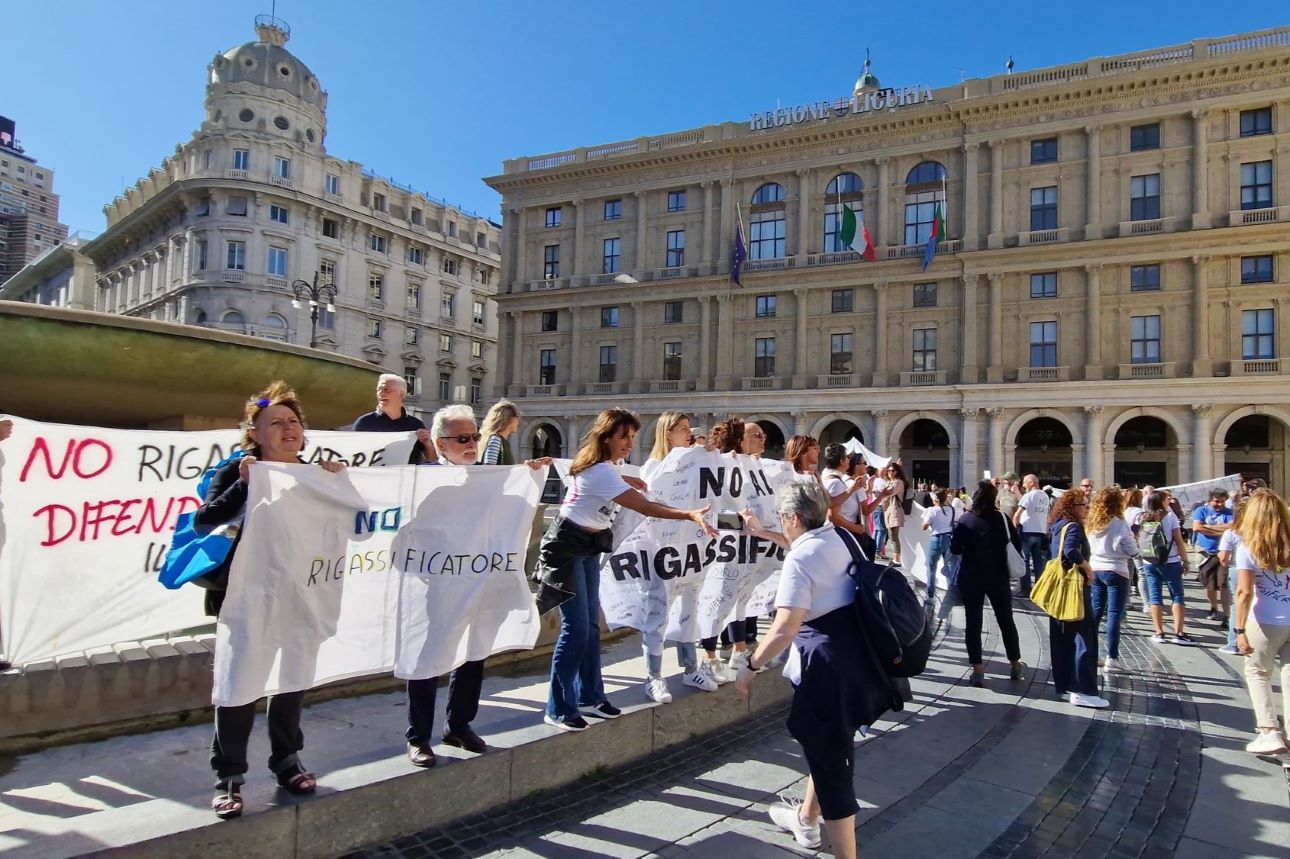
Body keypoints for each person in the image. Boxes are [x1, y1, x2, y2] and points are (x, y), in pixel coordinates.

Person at [198, 382, 345, 818]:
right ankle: (229, 775)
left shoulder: (318, 474)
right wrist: (244, 486)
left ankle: (286, 759)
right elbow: (204, 521)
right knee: (239, 682)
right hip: (247, 597)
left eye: (294, 422)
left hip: (303, 595)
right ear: (255, 434)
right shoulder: (238, 471)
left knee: (292, 681)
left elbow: (359, 526)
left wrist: (341, 486)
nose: (288, 429)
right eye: (275, 423)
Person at [736, 480, 898, 859]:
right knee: (832, 745)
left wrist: (751, 664)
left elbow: (784, 628)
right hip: (861, 656)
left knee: (832, 765)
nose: (782, 523)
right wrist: (762, 532)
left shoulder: (800, 557)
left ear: (793, 517)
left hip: (827, 667)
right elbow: (805, 550)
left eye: (781, 518)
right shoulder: (841, 538)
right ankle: (806, 817)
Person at [535, 409, 716, 732]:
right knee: (575, 629)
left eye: (633, 436)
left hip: (589, 545)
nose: (630, 443)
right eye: (624, 437)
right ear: (606, 437)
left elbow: (609, 482)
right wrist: (689, 515)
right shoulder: (601, 472)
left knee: (591, 627)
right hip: (566, 548)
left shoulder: (608, 468)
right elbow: (644, 507)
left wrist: (625, 478)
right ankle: (558, 706)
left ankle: (589, 696)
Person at [403, 404, 550, 767]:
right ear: (441, 443)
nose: (472, 444)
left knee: (473, 653)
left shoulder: (489, 478)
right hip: (436, 582)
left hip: (478, 579)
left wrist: (527, 475)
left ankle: (459, 724)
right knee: (428, 658)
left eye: (475, 437)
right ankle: (418, 736)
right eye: (463, 439)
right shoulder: (422, 479)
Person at [639, 411, 719, 702]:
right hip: (664, 551)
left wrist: (709, 456)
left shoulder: (693, 462)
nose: (689, 434)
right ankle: (654, 676)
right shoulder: (653, 466)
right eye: (683, 429)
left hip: (692, 550)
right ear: (667, 433)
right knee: (658, 612)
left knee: (690, 609)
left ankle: (690, 668)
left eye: (689, 429)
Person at [949, 481, 1025, 687]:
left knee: (973, 623)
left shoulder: (966, 519)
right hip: (998, 576)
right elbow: (1016, 544)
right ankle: (1015, 664)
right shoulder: (1002, 518)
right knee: (1006, 620)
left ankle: (978, 670)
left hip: (971, 577)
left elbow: (955, 549)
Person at [1232, 490, 1290, 756]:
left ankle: (1269, 731)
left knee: (1258, 672)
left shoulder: (1247, 547)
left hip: (1265, 620)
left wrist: (1239, 629)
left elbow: (1243, 593)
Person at [1047, 488, 1109, 709]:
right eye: (1084, 505)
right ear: (1072, 507)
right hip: (1074, 588)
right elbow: (1070, 551)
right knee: (1085, 638)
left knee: (1063, 637)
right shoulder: (1073, 527)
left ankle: (1065, 683)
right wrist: (1088, 569)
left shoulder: (1057, 526)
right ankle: (1084, 689)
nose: (1088, 508)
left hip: (1060, 589)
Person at [1086, 487, 1139, 676]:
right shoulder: (1119, 523)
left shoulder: (1091, 523)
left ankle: (1089, 652)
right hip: (1116, 569)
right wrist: (1134, 550)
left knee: (1096, 612)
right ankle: (1112, 658)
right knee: (1114, 615)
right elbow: (1132, 549)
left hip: (1095, 568)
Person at [1139, 490, 1195, 645]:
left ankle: (1159, 632)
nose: (1169, 501)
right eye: (1166, 499)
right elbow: (1178, 540)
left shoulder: (1143, 516)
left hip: (1149, 561)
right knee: (1177, 596)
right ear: (1161, 501)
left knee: (1155, 597)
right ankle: (1178, 633)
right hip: (1169, 561)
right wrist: (1185, 561)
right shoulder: (1170, 517)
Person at [352, 374, 437, 463]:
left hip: (406, 476)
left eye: (386, 390)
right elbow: (351, 454)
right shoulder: (364, 422)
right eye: (378, 390)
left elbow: (432, 459)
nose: (380, 393)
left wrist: (427, 443)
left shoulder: (416, 425)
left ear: (401, 395)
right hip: (374, 476)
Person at [1193, 490, 1235, 625]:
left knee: (1224, 585)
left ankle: (1227, 616)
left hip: (1223, 552)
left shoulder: (1229, 512)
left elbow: (1232, 527)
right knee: (1209, 585)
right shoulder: (1201, 510)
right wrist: (1221, 529)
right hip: (1206, 553)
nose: (1220, 504)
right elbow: (1197, 528)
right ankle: (1214, 607)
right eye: (1217, 501)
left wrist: (1208, 527)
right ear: (1210, 500)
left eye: (1222, 501)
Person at [1217, 494, 1249, 656]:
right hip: (1261, 570)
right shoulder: (1261, 532)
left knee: (1237, 605)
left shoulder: (1232, 533)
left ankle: (1234, 642)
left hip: (1237, 569)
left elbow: (1223, 557)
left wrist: (1227, 565)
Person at [1013, 473, 1052, 598]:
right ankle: (1040, 589)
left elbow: (1017, 515)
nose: (1023, 486)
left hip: (1027, 531)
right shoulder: (1045, 496)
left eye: (1024, 482)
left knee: (1024, 561)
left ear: (1031, 482)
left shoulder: (1029, 496)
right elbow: (1047, 516)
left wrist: (1015, 529)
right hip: (1040, 532)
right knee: (1038, 562)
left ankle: (1025, 589)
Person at [922, 488, 960, 605]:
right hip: (948, 538)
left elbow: (924, 526)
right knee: (950, 567)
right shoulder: (952, 510)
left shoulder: (932, 510)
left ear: (935, 499)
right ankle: (952, 593)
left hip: (936, 538)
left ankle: (930, 593)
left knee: (931, 567)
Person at [881, 462, 909, 567]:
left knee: (894, 536)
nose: (890, 473)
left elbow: (889, 492)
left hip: (895, 510)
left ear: (897, 472)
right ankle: (894, 558)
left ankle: (897, 560)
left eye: (892, 470)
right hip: (889, 511)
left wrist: (880, 491)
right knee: (891, 535)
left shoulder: (898, 482)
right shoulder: (890, 482)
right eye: (888, 470)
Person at [478, 398, 520, 465]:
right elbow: (489, 466)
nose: (518, 422)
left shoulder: (502, 441)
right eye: (517, 417)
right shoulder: (496, 440)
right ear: (511, 419)